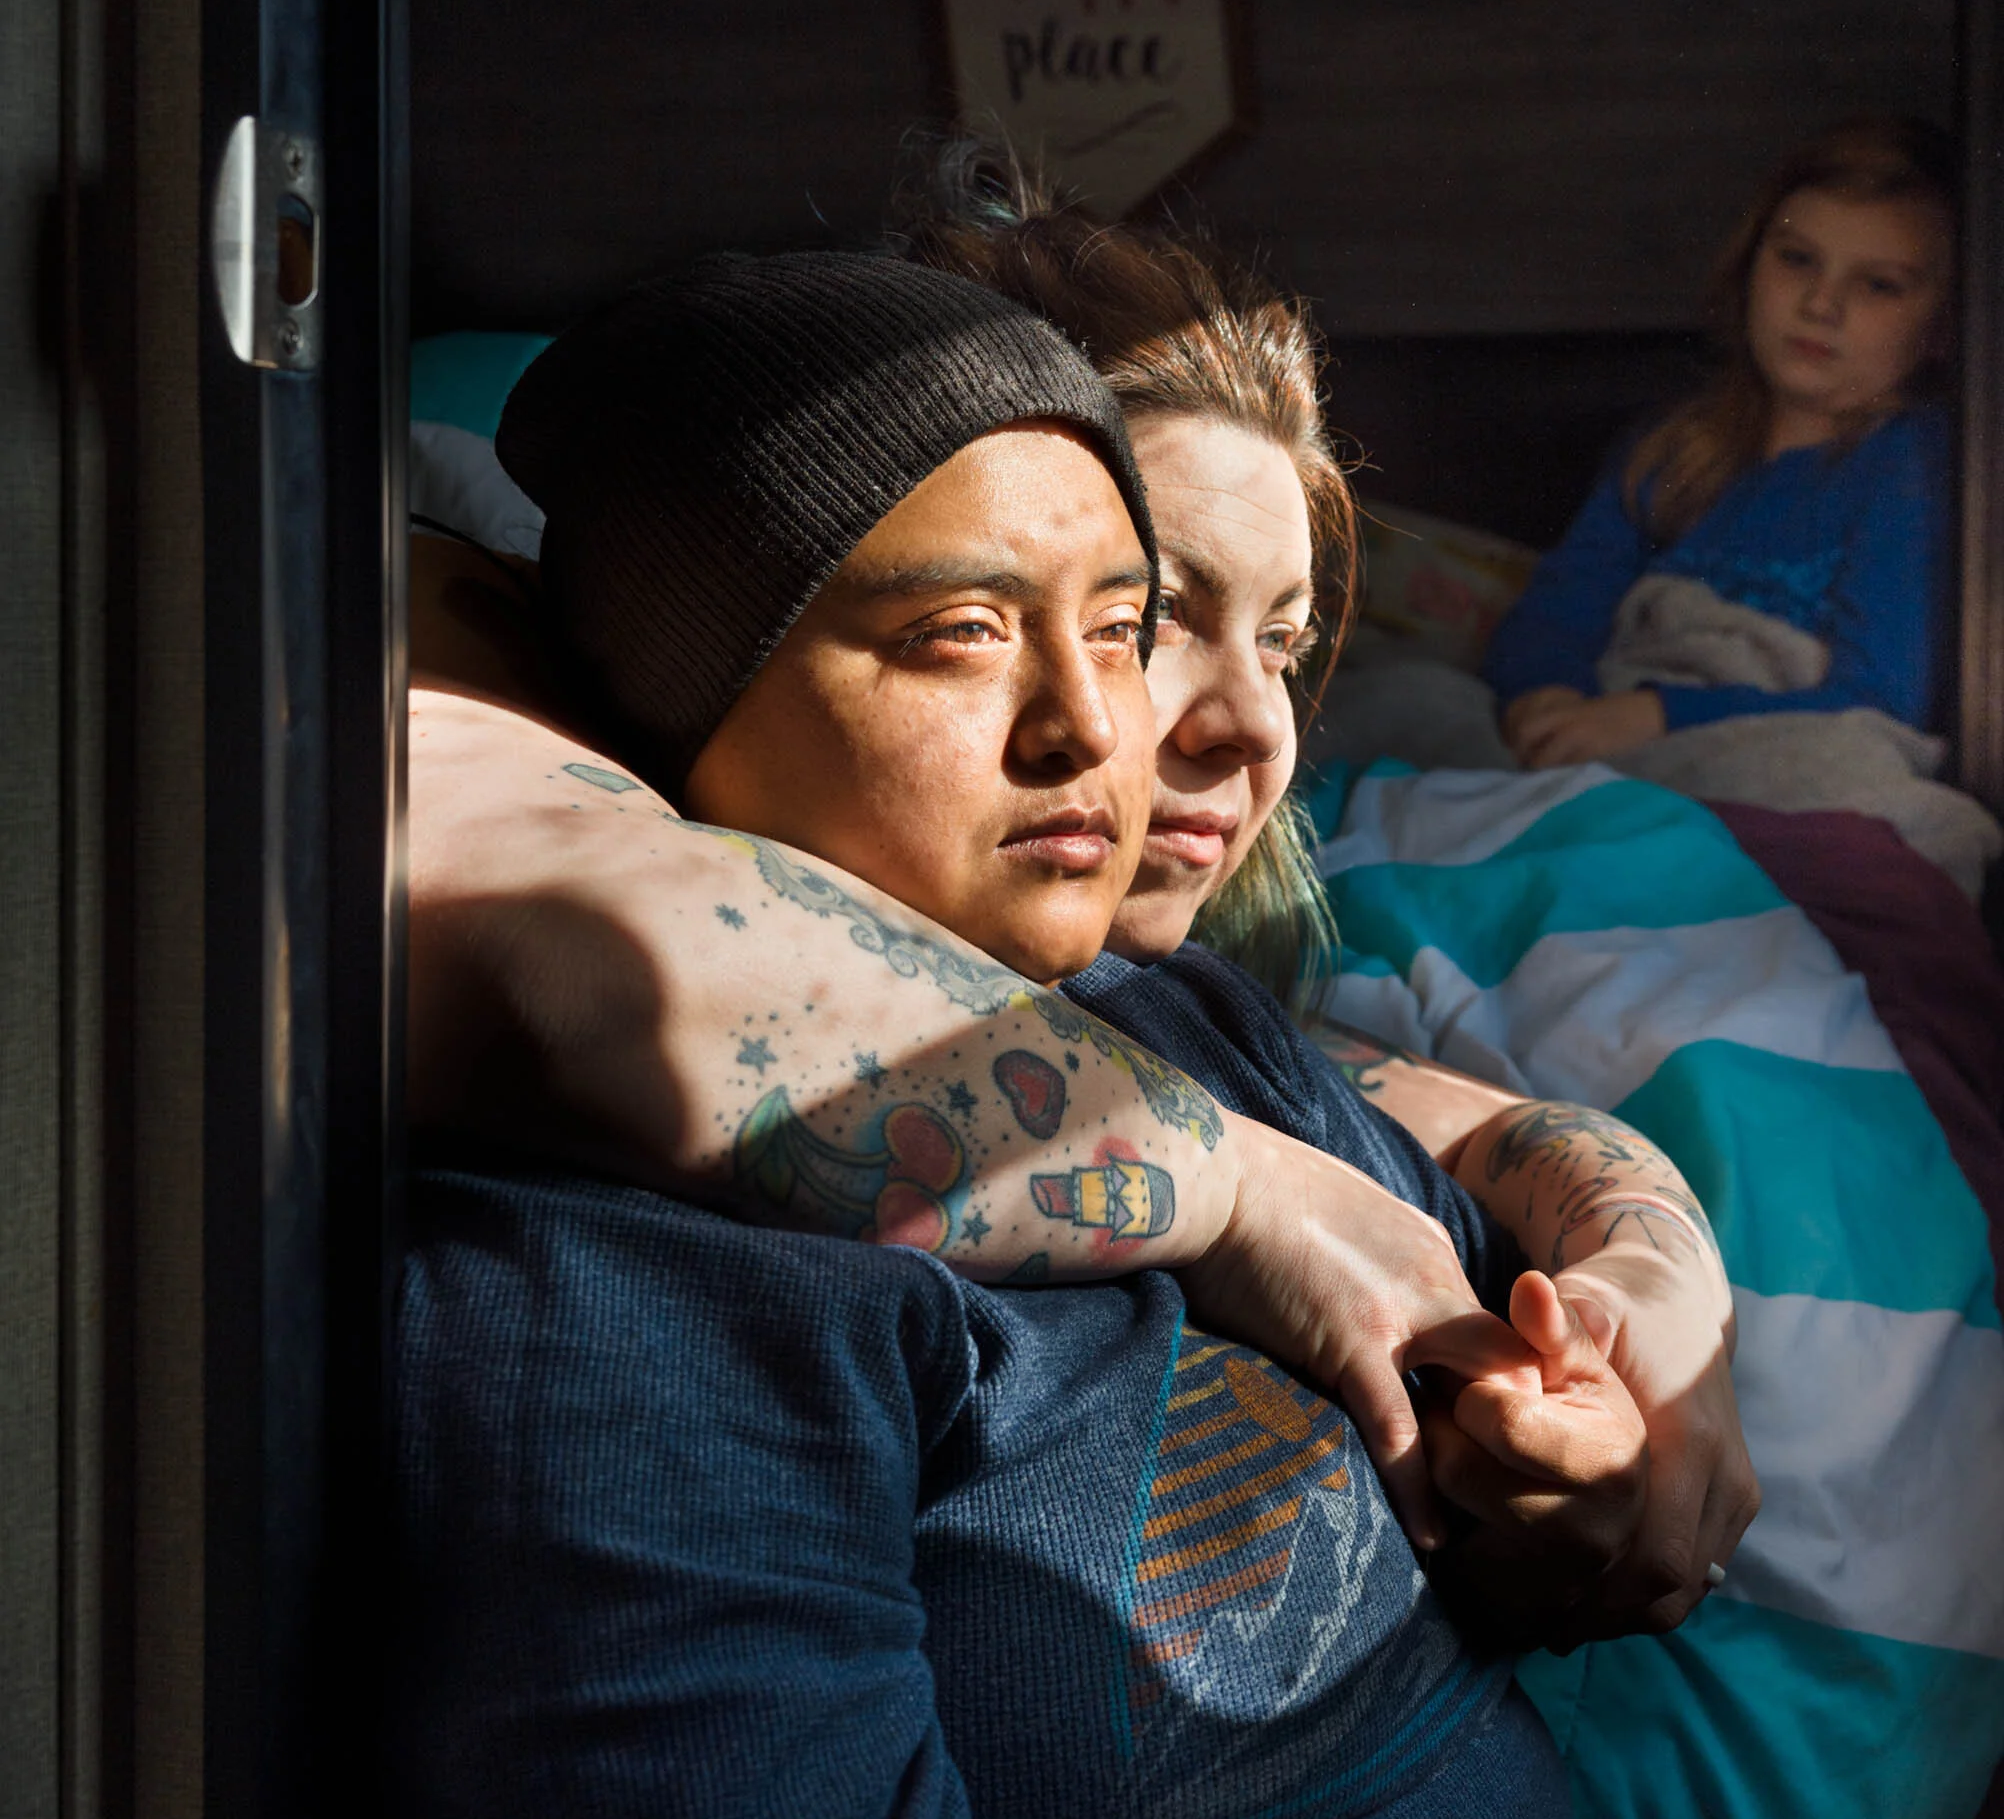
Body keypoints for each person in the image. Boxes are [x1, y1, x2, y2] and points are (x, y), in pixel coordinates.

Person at [389, 250, 1961, 1819]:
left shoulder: (1165, 1010)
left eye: (1119, 626)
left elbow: (1472, 1180)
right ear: (685, 690)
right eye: (958, 637)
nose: (1101, 727)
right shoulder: (634, 1283)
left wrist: (1577, 1407)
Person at [408, 173, 1750, 1627]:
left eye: (1284, 644)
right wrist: (1248, 1195)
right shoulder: (648, 1267)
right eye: (1165, 614)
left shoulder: (1172, 1004)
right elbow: (582, 942)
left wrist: (1659, 1296)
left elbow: (1453, 1122)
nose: (1258, 726)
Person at [1485, 115, 1956, 770]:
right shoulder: (1670, 450)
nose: (1821, 305)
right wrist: (1546, 698)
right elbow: (1557, 611)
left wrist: (1656, 716)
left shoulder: (1914, 468)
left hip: (1765, 748)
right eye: (1797, 259)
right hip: (1604, 730)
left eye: (1878, 285)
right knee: (1410, 701)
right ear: (1749, 263)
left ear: (1941, 325)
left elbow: (1881, 699)